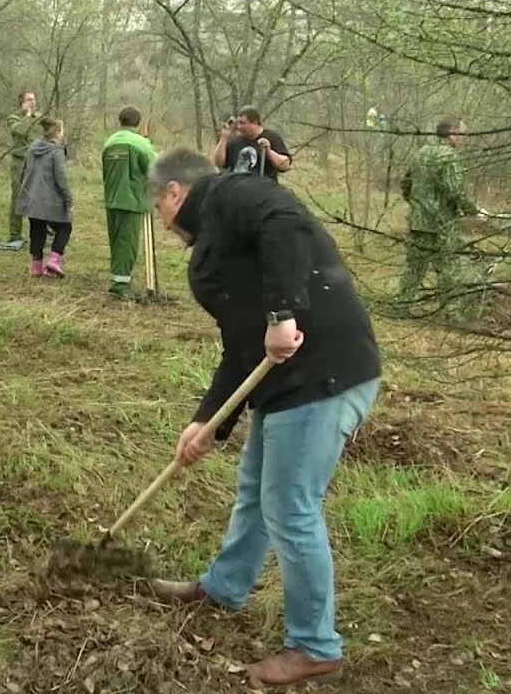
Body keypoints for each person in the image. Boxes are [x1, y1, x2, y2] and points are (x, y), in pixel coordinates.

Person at [145, 146, 383, 689]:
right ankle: (224, 587)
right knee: (256, 490)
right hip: (287, 383)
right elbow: (240, 349)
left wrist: (283, 313)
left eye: (159, 209)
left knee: (290, 507)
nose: (163, 222)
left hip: (325, 373)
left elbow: (284, 221)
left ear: (175, 193)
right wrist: (208, 423)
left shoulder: (234, 194)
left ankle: (315, 646)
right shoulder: (216, 243)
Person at [397, 117, 482, 311]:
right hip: (442, 223)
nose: (464, 138)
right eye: (462, 133)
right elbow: (454, 191)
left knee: (415, 267)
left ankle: (401, 306)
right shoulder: (449, 156)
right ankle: (450, 312)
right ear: (451, 133)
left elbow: (406, 183)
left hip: (418, 221)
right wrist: (473, 211)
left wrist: (417, 204)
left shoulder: (421, 153)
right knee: (449, 267)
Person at [100, 106, 157, 300]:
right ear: (138, 123)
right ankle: (120, 285)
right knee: (127, 244)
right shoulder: (140, 143)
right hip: (132, 200)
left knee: (116, 242)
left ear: (120, 121)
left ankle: (117, 278)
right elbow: (154, 169)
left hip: (112, 198)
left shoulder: (109, 142)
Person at [16, 116, 73, 277]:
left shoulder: (32, 147)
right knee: (66, 226)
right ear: (58, 132)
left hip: (31, 198)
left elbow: (24, 171)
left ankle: (36, 267)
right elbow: (61, 179)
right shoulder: (56, 151)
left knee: (36, 230)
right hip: (50, 200)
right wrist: (68, 200)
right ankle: (54, 261)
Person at [0, 90, 42, 251]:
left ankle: (42, 234)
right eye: (28, 100)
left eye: (34, 99)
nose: (32, 102)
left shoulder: (40, 118)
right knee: (18, 198)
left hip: (37, 162)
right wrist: (27, 116)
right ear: (21, 102)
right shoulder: (14, 118)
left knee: (39, 197)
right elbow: (19, 131)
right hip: (19, 162)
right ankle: (15, 234)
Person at [210, 105, 292, 182]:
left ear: (255, 122)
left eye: (243, 123)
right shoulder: (235, 141)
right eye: (237, 123)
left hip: (262, 190)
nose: (238, 127)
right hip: (236, 189)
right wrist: (223, 138)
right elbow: (218, 163)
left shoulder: (272, 137)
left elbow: (285, 166)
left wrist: (269, 151)